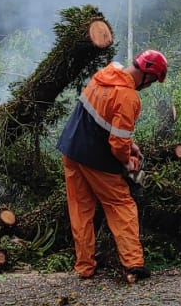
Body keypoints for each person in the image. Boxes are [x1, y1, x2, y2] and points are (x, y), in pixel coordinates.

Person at [56, 48, 168, 283]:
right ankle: (133, 264)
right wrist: (128, 162)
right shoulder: (128, 97)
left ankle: (85, 266)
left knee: (80, 209)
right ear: (147, 75)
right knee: (121, 205)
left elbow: (106, 122)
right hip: (96, 158)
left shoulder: (107, 73)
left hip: (71, 149)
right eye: (152, 82)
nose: (149, 86)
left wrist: (131, 146)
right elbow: (117, 145)